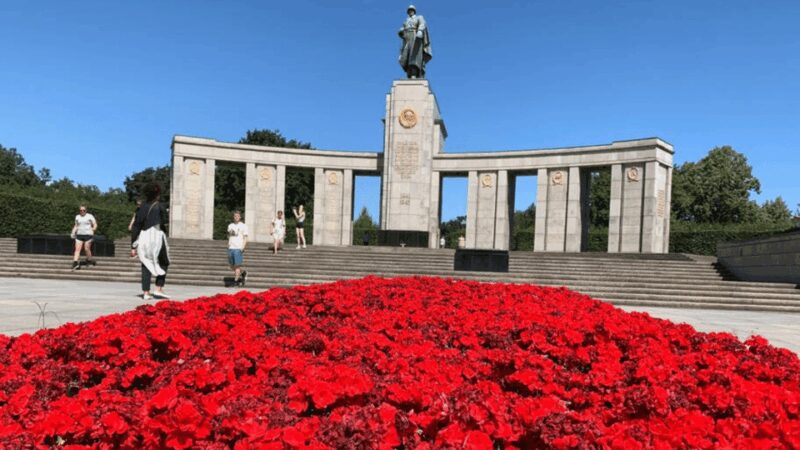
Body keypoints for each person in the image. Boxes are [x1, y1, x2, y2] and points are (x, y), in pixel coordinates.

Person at [130, 183, 170, 300]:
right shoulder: (160, 206)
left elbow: (136, 226)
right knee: (164, 261)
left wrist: (133, 246)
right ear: (157, 194)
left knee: (146, 263)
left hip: (144, 236)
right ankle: (158, 288)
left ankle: (146, 292)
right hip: (157, 235)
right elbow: (164, 222)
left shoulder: (141, 207)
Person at [398, 5, 432, 79]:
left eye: (411, 10)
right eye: (409, 10)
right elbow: (403, 29)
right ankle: (409, 73)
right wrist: (401, 31)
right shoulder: (406, 21)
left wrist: (419, 30)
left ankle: (414, 73)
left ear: (414, 11)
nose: (410, 11)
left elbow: (422, 23)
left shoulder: (419, 17)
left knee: (414, 56)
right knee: (405, 56)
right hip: (407, 38)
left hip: (415, 36)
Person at [70, 205, 97, 270]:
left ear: (86, 210)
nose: (82, 211)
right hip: (79, 234)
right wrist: (73, 232)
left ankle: (89, 259)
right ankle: (75, 263)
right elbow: (76, 225)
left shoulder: (90, 216)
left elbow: (95, 224)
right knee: (77, 249)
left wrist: (93, 229)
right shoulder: (77, 217)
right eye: (81, 210)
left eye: (83, 210)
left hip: (88, 234)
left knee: (86, 248)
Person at [227, 210, 248, 286]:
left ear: (240, 217)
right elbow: (229, 236)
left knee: (237, 265)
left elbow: (245, 237)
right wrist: (228, 245)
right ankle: (242, 273)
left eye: (237, 216)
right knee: (231, 265)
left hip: (238, 248)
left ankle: (235, 281)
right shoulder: (230, 226)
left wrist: (243, 247)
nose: (236, 217)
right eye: (235, 216)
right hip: (231, 247)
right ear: (233, 217)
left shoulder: (243, 226)